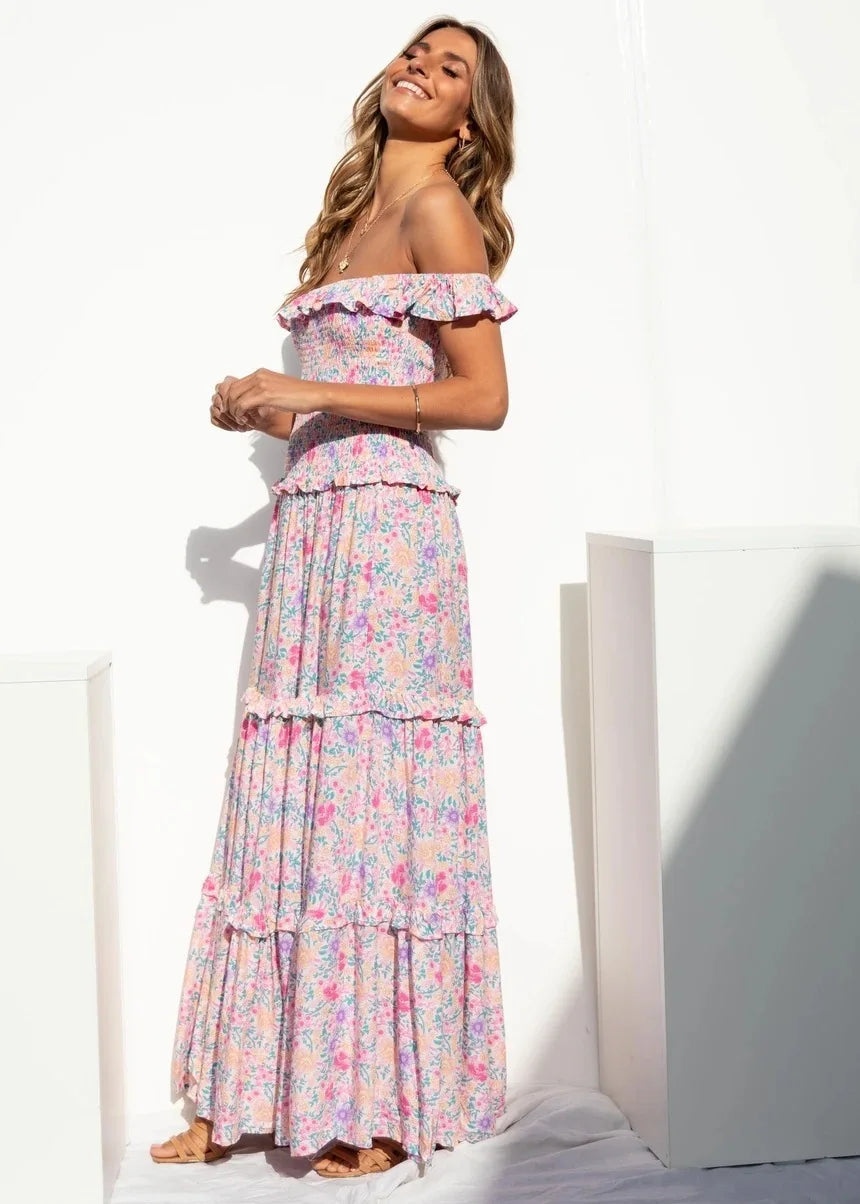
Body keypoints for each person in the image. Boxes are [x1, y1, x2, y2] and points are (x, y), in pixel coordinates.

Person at [150, 15, 518, 1180]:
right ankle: (255, 1090)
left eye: (451, 70)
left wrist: (304, 388)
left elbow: (482, 397)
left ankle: (380, 1102)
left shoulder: (438, 208)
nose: (423, 68)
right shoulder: (352, 208)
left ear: (470, 121)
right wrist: (267, 403)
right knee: (295, 798)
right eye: (417, 51)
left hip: (389, 538)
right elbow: (358, 378)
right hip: (317, 523)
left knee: (366, 806)